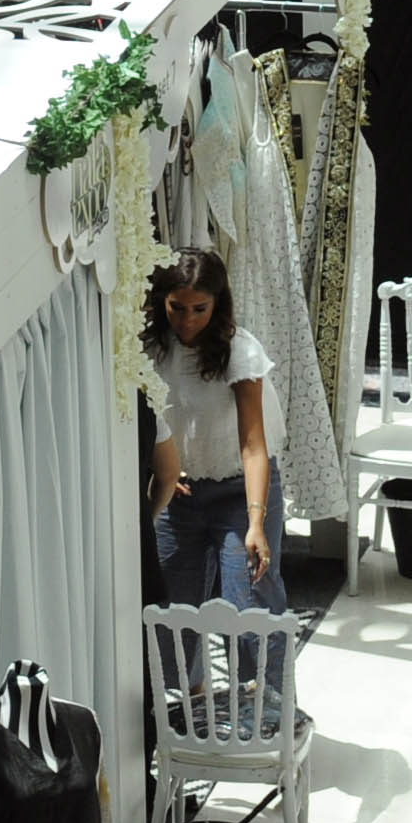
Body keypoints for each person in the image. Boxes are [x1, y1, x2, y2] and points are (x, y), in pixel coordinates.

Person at [140, 251, 277, 611]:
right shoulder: (149, 349)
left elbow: (253, 446)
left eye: (199, 309)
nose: (188, 320)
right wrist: (163, 472)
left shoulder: (239, 351)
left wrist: (256, 522)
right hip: (178, 494)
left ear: (217, 304)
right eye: (177, 308)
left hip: (239, 490)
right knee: (170, 613)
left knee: (250, 609)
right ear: (163, 301)